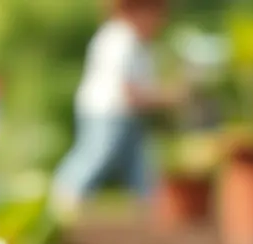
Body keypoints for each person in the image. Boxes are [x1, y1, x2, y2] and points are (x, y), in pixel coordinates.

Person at [50, 0, 178, 220]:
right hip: (107, 112)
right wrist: (166, 98)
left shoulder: (138, 43)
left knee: (140, 166)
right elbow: (129, 93)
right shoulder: (120, 39)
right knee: (97, 156)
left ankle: (154, 211)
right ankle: (61, 202)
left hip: (126, 115)